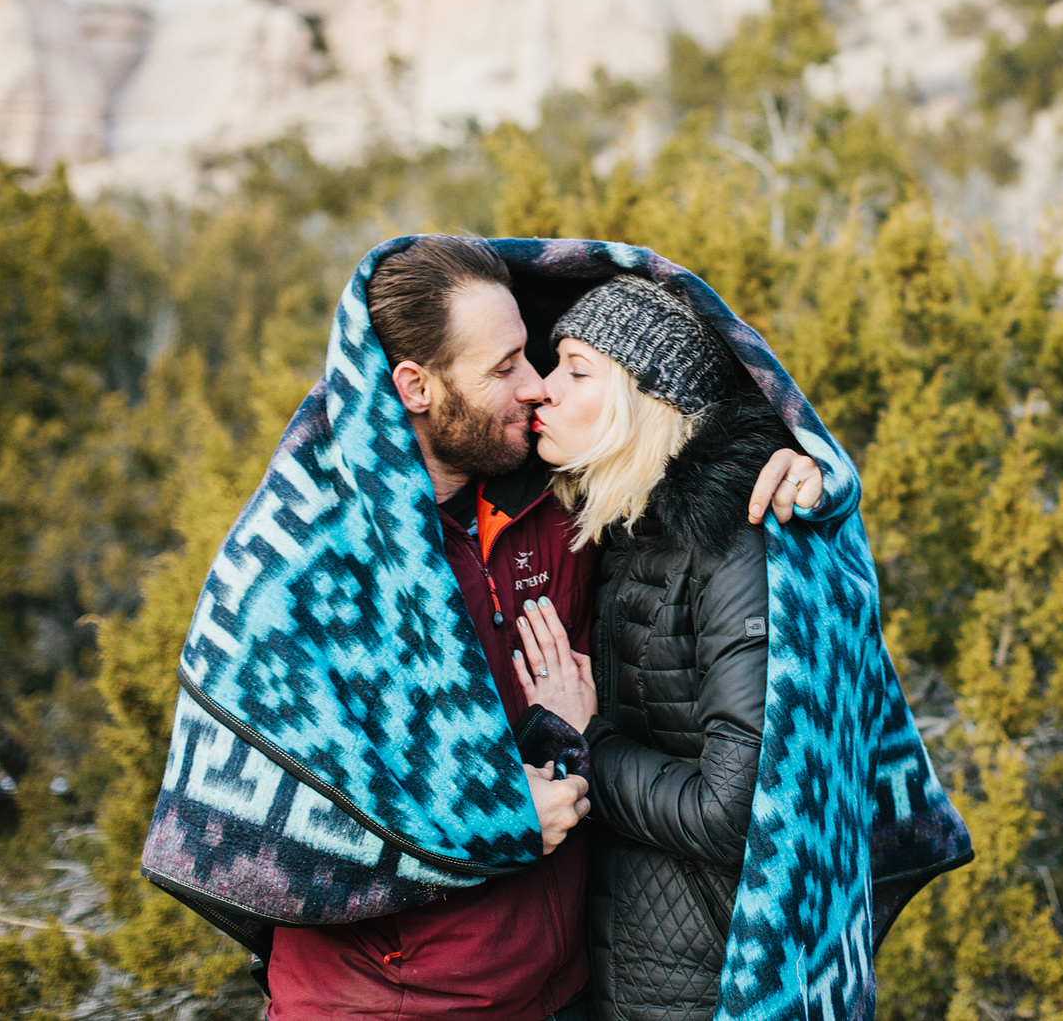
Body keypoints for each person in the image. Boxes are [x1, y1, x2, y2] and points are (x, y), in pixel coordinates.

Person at [264, 239, 819, 1020]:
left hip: (575, 983)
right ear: (416, 386)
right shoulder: (316, 551)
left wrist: (804, 462)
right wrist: (494, 808)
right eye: (507, 368)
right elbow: (276, 802)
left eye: (546, 359)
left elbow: (685, 428)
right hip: (381, 1001)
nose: (533, 388)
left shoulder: (567, 509)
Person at [505, 275, 788, 1021]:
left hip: (701, 982)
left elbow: (733, 810)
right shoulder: (629, 528)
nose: (543, 389)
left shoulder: (732, 549)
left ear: (649, 400)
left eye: (575, 368)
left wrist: (588, 736)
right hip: (623, 962)